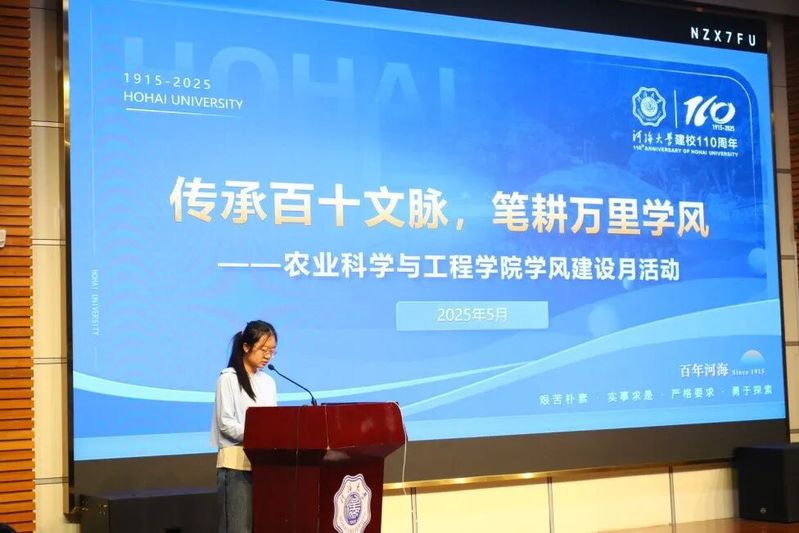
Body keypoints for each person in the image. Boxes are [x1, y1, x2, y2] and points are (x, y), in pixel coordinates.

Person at [211, 320, 278, 533]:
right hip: (236, 467)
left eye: (272, 351)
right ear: (246, 346)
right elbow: (225, 424)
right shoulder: (228, 378)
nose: (268, 356)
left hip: (264, 465)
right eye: (263, 349)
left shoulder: (268, 382)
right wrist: (258, 434)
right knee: (238, 528)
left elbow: (273, 421)